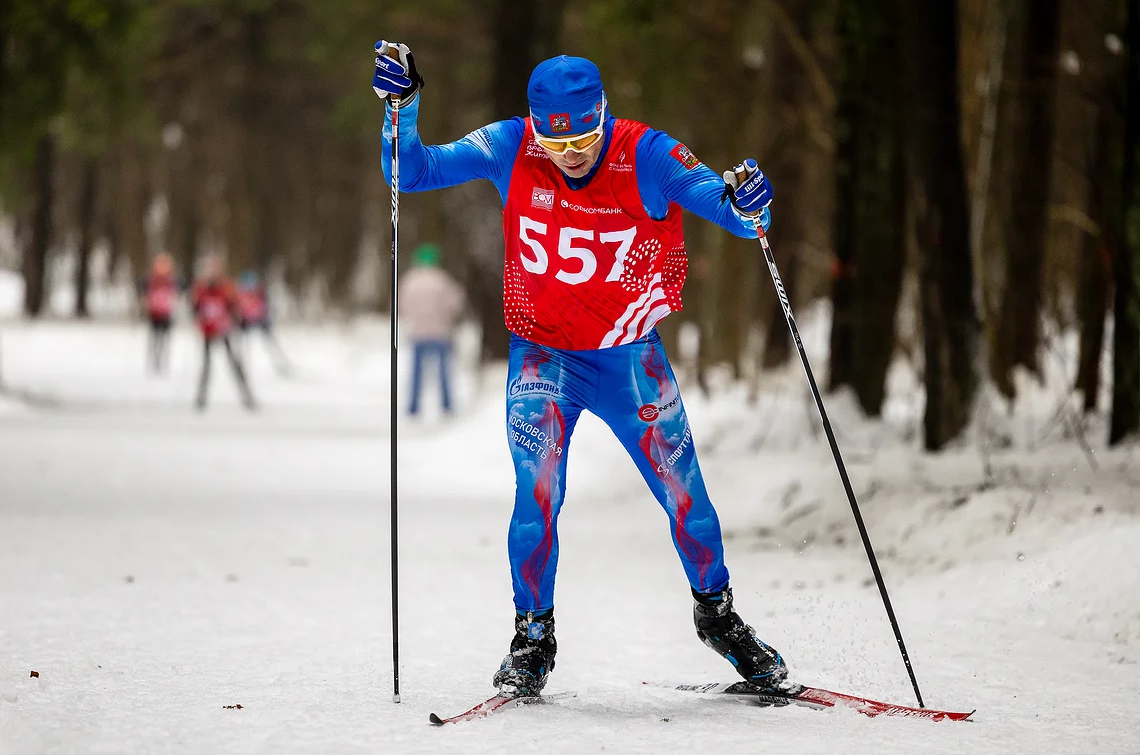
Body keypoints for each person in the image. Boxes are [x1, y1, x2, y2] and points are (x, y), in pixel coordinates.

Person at [374, 44, 785, 696]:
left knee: (688, 501)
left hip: (629, 361)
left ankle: (719, 617)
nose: (570, 154)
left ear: (603, 116)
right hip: (543, 358)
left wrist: (746, 205)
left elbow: (724, 207)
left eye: (585, 137)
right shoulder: (512, 144)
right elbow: (412, 172)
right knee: (537, 497)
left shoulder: (645, 153)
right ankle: (532, 637)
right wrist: (403, 107)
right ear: (535, 127)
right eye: (555, 141)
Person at [398, 243, 466, 416]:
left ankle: (413, 406)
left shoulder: (410, 280)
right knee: (443, 373)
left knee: (416, 373)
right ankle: (447, 405)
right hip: (440, 331)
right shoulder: (442, 280)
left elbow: (401, 305)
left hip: (418, 332)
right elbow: (455, 303)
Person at [191, 255, 256, 411]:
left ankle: (246, 396)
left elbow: (234, 308)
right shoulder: (202, 288)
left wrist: (236, 322)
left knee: (234, 363)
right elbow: (196, 309)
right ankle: (201, 398)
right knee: (206, 365)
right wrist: (199, 324)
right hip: (208, 331)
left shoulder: (226, 288)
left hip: (223, 330)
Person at [236, 269, 292, 376]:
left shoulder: (261, 293)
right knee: (244, 345)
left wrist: (268, 318)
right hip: (246, 322)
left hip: (260, 320)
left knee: (270, 344)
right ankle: (242, 366)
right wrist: (239, 320)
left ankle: (281, 364)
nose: (250, 288)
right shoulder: (241, 295)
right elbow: (237, 309)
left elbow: (269, 307)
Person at [139, 253, 180, 374]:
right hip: (154, 313)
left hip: (166, 313)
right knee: (155, 339)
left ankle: (162, 362)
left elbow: (177, 292)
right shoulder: (151, 280)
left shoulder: (171, 281)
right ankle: (154, 361)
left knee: (164, 339)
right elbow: (144, 291)